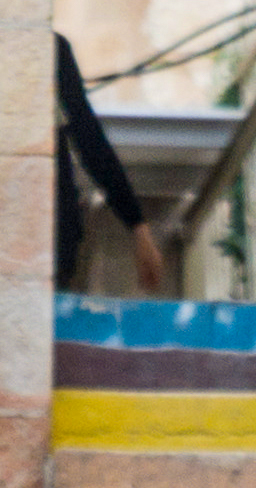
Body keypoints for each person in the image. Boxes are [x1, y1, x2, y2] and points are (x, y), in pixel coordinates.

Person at [55, 34, 174, 294]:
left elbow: (89, 140)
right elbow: (88, 139)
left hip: (52, 235)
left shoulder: (50, 49)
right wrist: (138, 227)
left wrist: (137, 226)